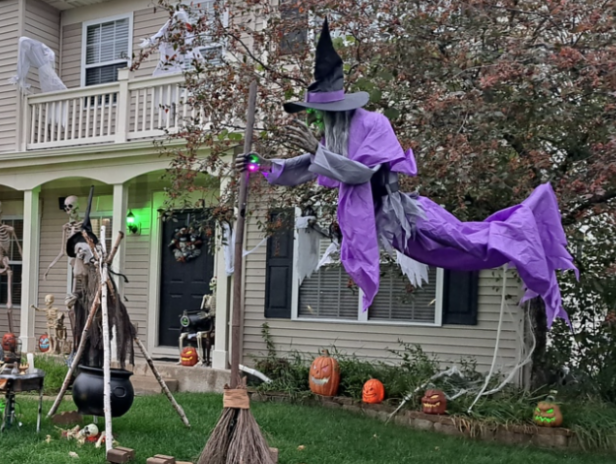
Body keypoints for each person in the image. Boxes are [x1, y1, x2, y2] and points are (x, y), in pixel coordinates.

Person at [239, 19, 576, 326]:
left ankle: (527, 227)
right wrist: (263, 164)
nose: (318, 119)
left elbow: (361, 174)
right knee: (454, 254)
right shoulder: (333, 137)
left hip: (405, 216)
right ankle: (521, 239)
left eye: (320, 111)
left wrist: (317, 151)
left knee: (466, 241)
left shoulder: (374, 123)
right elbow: (304, 166)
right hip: (389, 231)